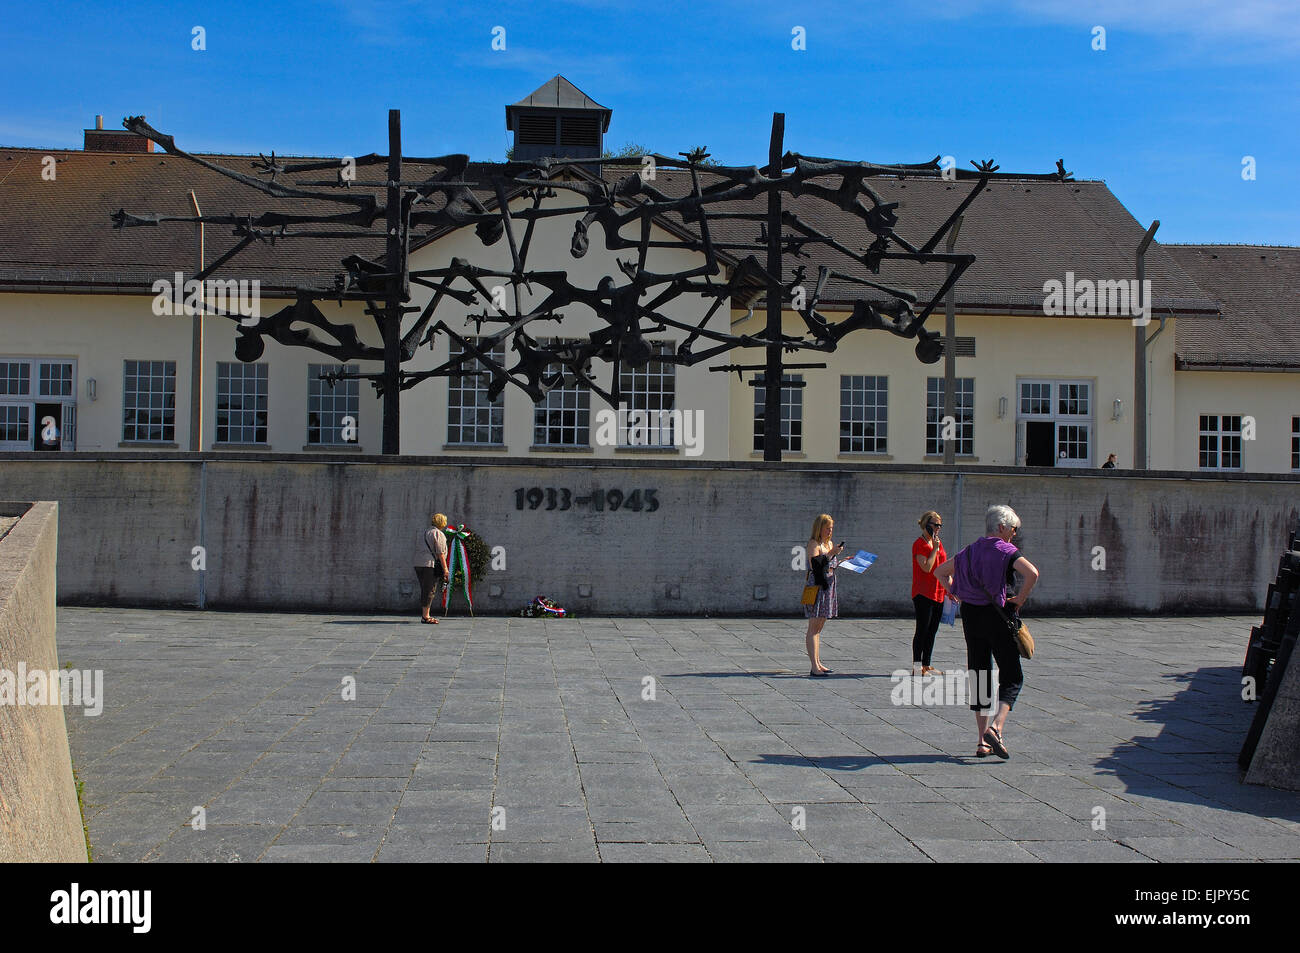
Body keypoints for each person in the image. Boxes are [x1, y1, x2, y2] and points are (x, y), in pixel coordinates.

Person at [934, 505, 1039, 760]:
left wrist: (954, 591)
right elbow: (1032, 573)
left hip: (971, 616)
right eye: (1013, 529)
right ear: (1001, 527)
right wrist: (1020, 600)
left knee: (979, 673)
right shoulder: (1005, 550)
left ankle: (982, 742)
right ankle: (997, 727)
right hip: (998, 615)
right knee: (1012, 674)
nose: (1014, 534)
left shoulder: (968, 551)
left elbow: (939, 572)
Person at [804, 513, 845, 677]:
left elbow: (829, 565)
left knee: (819, 627)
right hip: (817, 587)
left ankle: (818, 662)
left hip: (828, 586)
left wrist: (840, 559)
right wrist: (831, 553)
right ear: (819, 528)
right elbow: (816, 564)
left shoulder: (829, 544)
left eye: (831, 528)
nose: (830, 531)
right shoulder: (814, 543)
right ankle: (814, 666)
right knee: (813, 627)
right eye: (827, 528)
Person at [911, 510, 948, 677]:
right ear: (926, 524)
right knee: (922, 630)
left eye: (940, 525)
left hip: (938, 591)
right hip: (923, 593)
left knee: (932, 630)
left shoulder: (937, 542)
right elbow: (926, 567)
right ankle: (917, 667)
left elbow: (943, 565)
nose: (938, 528)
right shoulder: (920, 544)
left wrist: (950, 588)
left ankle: (926, 664)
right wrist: (934, 548)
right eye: (935, 525)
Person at [414, 513, 450, 624]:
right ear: (442, 522)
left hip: (418, 563)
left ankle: (425, 614)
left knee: (425, 589)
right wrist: (445, 569)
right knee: (429, 590)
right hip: (429, 564)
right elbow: (440, 553)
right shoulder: (438, 534)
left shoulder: (425, 532)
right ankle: (426, 616)